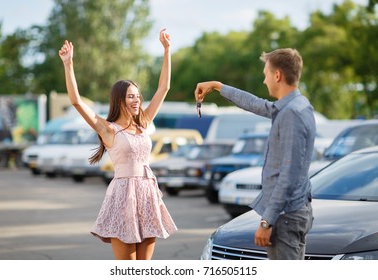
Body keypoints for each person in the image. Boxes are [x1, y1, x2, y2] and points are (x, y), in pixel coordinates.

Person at [58, 28, 177, 260]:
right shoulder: (108, 129)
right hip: (123, 197)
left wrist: (167, 50)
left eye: (138, 96)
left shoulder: (143, 123)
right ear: (119, 99)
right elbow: (76, 101)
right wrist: (68, 64)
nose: (137, 100)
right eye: (131, 96)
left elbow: (163, 88)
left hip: (147, 194)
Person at [194, 48, 315, 260]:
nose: (264, 81)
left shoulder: (291, 114)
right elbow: (256, 104)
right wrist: (217, 86)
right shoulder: (295, 105)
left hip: (285, 218)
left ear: (277, 75)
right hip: (290, 213)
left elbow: (288, 175)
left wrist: (267, 221)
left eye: (266, 74)